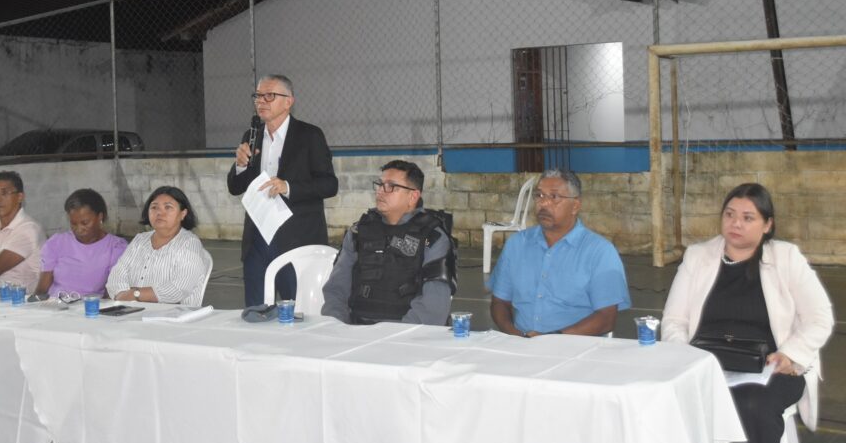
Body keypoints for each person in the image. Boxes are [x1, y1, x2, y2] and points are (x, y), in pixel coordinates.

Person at [661, 183, 833, 443]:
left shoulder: (785, 258)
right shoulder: (698, 256)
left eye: (747, 217)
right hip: (706, 366)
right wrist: (686, 359)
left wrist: (791, 354)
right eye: (729, 214)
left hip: (773, 368)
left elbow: (819, 317)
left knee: (752, 406)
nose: (735, 223)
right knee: (660, 400)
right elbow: (674, 321)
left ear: (767, 225)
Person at [227, 74, 338, 306]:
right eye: (258, 95)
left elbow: (329, 184)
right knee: (256, 310)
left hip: (295, 239)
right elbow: (235, 187)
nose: (261, 101)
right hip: (257, 240)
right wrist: (240, 165)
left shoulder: (309, 135)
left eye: (269, 95)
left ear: (288, 101)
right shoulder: (252, 136)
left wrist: (287, 187)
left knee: (296, 311)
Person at [488, 169, 630, 337]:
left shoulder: (600, 252)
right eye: (539, 195)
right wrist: (515, 336)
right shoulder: (517, 244)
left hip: (574, 346)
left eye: (554, 197)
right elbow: (499, 302)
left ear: (575, 206)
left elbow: (606, 318)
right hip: (520, 343)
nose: (544, 203)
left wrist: (552, 339)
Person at [321, 160, 455, 325]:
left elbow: (432, 309)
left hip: (409, 335)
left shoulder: (432, 238)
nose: (380, 191)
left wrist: (393, 336)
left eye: (391, 186)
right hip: (355, 330)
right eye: (380, 184)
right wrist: (337, 327)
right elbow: (336, 290)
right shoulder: (358, 233)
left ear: (413, 196)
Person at [106, 186, 211, 305]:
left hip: (174, 314)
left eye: (168, 207)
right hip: (131, 310)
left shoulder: (189, 243)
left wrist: (136, 294)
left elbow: (179, 288)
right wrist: (121, 295)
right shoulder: (139, 240)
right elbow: (117, 275)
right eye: (154, 207)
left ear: (183, 214)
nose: (159, 213)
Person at [34, 188, 127, 297]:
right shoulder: (57, 243)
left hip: (91, 305)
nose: (79, 229)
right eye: (73, 223)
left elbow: (111, 292)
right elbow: (42, 289)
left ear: (100, 217)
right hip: (55, 303)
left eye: (85, 223)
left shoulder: (116, 247)